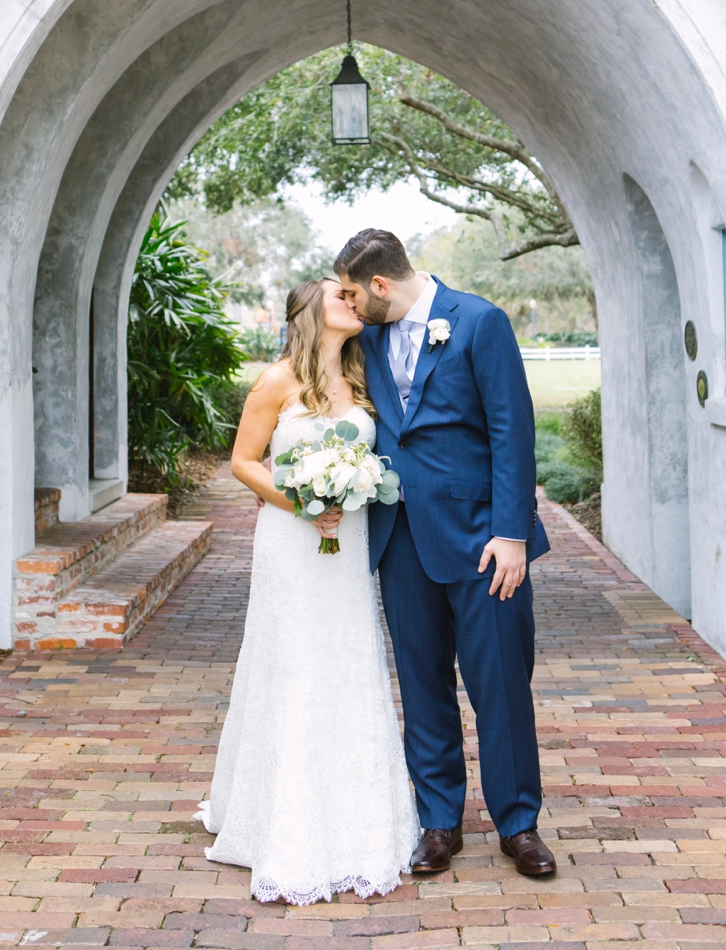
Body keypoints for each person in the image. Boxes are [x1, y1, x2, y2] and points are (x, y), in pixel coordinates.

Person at [335, 229, 556, 879]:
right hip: (399, 539)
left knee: (501, 686)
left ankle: (519, 825)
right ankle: (438, 823)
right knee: (422, 684)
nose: (346, 304)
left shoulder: (479, 321)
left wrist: (511, 533)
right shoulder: (366, 337)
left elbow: (512, 431)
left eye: (352, 291)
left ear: (380, 284)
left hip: (484, 541)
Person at [200, 278, 420, 905]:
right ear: (307, 310)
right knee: (292, 664)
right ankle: (283, 820)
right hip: (292, 544)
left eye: (354, 296)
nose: (352, 301)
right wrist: (297, 502)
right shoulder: (276, 381)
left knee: (347, 661)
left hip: (347, 547)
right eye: (338, 295)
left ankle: (359, 817)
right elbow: (244, 461)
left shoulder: (366, 379)